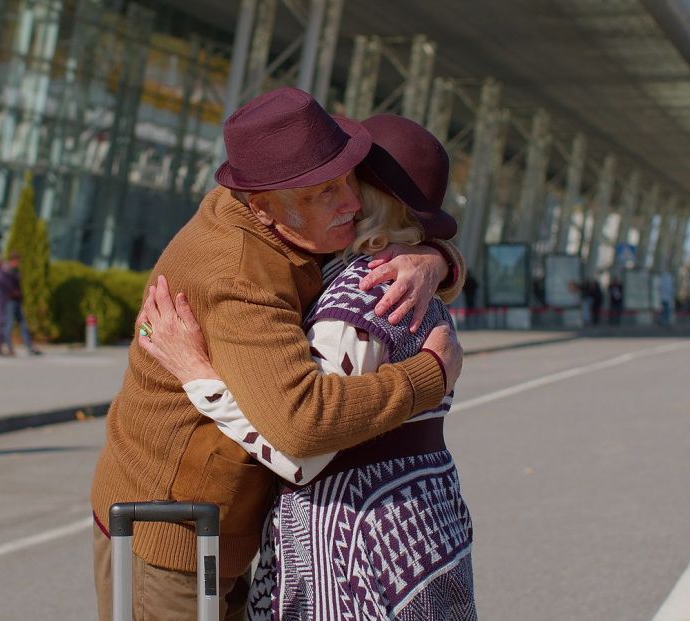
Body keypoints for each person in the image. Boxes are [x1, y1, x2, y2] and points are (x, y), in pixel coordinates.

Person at [89, 88, 466, 620]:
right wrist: (429, 375)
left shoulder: (300, 216)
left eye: (350, 180)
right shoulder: (238, 275)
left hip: (234, 514)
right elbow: (304, 426)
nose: (352, 203)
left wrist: (433, 256)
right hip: (174, 529)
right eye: (326, 192)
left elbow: (389, 226)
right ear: (264, 207)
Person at [1, 251, 41, 356]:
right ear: (13, 260)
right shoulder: (7, 271)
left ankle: (30, 347)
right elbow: (5, 286)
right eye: (17, 261)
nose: (18, 263)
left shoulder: (15, 270)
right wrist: (12, 293)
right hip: (9, 301)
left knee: (23, 323)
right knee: (8, 324)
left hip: (16, 301)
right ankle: (9, 348)